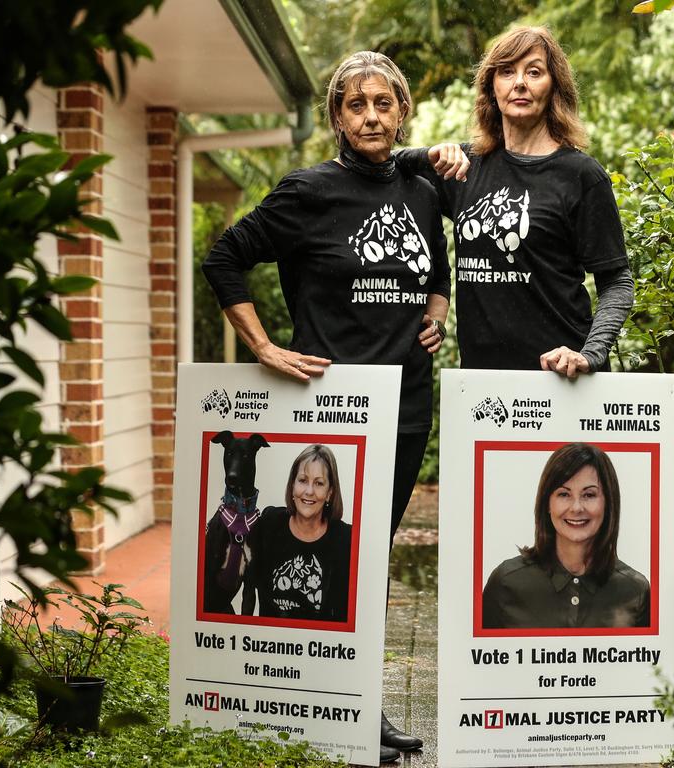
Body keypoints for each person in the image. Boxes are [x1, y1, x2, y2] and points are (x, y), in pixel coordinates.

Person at [203, 50, 445, 761]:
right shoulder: (308, 191)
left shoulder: (423, 189)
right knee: (337, 560)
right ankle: (332, 710)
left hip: (404, 408)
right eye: (355, 104)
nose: (371, 115)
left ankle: (353, 707)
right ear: (338, 118)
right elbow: (224, 258)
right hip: (333, 413)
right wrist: (264, 347)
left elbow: (438, 267)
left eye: (383, 102)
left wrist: (437, 307)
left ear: (401, 110)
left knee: (368, 561)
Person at [396, 26, 633, 378]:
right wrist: (427, 154)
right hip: (481, 384)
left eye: (534, 72)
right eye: (507, 71)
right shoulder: (465, 167)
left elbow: (617, 280)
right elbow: (385, 165)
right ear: (492, 86)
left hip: (562, 379)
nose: (519, 83)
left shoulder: (580, 175)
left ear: (554, 86)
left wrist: (590, 354)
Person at [481, 443, 650, 629]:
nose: (576, 508)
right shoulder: (505, 582)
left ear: (608, 503)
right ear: (547, 503)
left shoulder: (636, 591)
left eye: (589, 495)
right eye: (564, 494)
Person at [241, 444, 350, 622]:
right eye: (302, 480)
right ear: (292, 485)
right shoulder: (268, 524)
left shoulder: (345, 539)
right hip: (269, 645)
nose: (309, 491)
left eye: (319, 483)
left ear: (330, 493)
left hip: (319, 647)